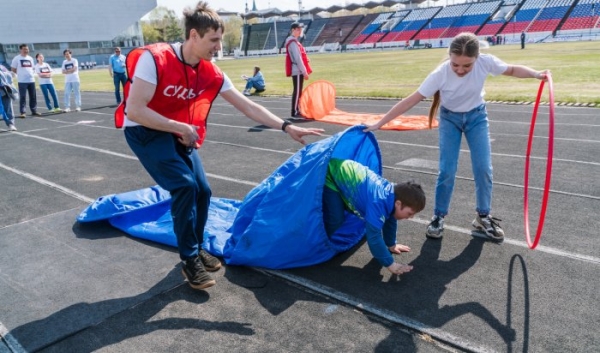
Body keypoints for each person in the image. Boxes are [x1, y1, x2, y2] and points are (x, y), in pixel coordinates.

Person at [122, 1, 323, 291]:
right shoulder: (155, 59)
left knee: (203, 190)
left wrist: (285, 126)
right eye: (213, 40)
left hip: (178, 131)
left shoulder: (211, 71)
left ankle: (198, 244)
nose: (218, 47)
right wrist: (180, 127)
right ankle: (189, 258)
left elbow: (247, 106)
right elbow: (135, 111)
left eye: (219, 40)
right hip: (144, 130)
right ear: (193, 36)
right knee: (184, 186)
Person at [364, 32, 549, 242]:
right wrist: (380, 122)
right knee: (447, 170)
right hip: (449, 120)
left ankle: (483, 216)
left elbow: (513, 69)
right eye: (455, 65)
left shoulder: (485, 62)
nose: (460, 70)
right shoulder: (440, 73)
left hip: (477, 117)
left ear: (477, 59)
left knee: (484, 168)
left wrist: (536, 74)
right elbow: (412, 99)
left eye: (467, 66)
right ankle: (438, 216)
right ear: (449, 58)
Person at [323, 158, 426, 275]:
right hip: (331, 174)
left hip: (346, 172)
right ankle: (319, 244)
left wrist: (391, 244)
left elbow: (391, 219)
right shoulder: (379, 202)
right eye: (410, 213)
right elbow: (374, 237)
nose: (411, 217)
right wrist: (390, 264)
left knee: (346, 210)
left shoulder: (393, 195)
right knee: (336, 219)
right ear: (398, 204)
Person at [285, 22, 312, 118]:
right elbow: (297, 58)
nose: (300, 31)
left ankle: (297, 109)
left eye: (300, 29)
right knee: (297, 91)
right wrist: (304, 72)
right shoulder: (292, 42)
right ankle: (295, 111)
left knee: (299, 91)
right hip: (297, 70)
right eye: (298, 29)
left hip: (297, 69)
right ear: (293, 30)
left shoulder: (294, 41)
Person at [10, 44, 41, 118]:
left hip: (31, 80)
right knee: (23, 96)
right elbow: (13, 69)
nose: (26, 51)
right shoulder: (16, 58)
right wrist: (20, 74)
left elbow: (32, 68)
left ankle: (34, 110)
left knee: (33, 96)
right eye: (24, 49)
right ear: (20, 50)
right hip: (22, 81)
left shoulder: (30, 58)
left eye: (27, 49)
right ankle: (23, 112)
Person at [0, 65, 17, 131]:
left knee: (8, 107)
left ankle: (10, 123)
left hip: (4, 90)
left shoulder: (2, 67)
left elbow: (9, 76)